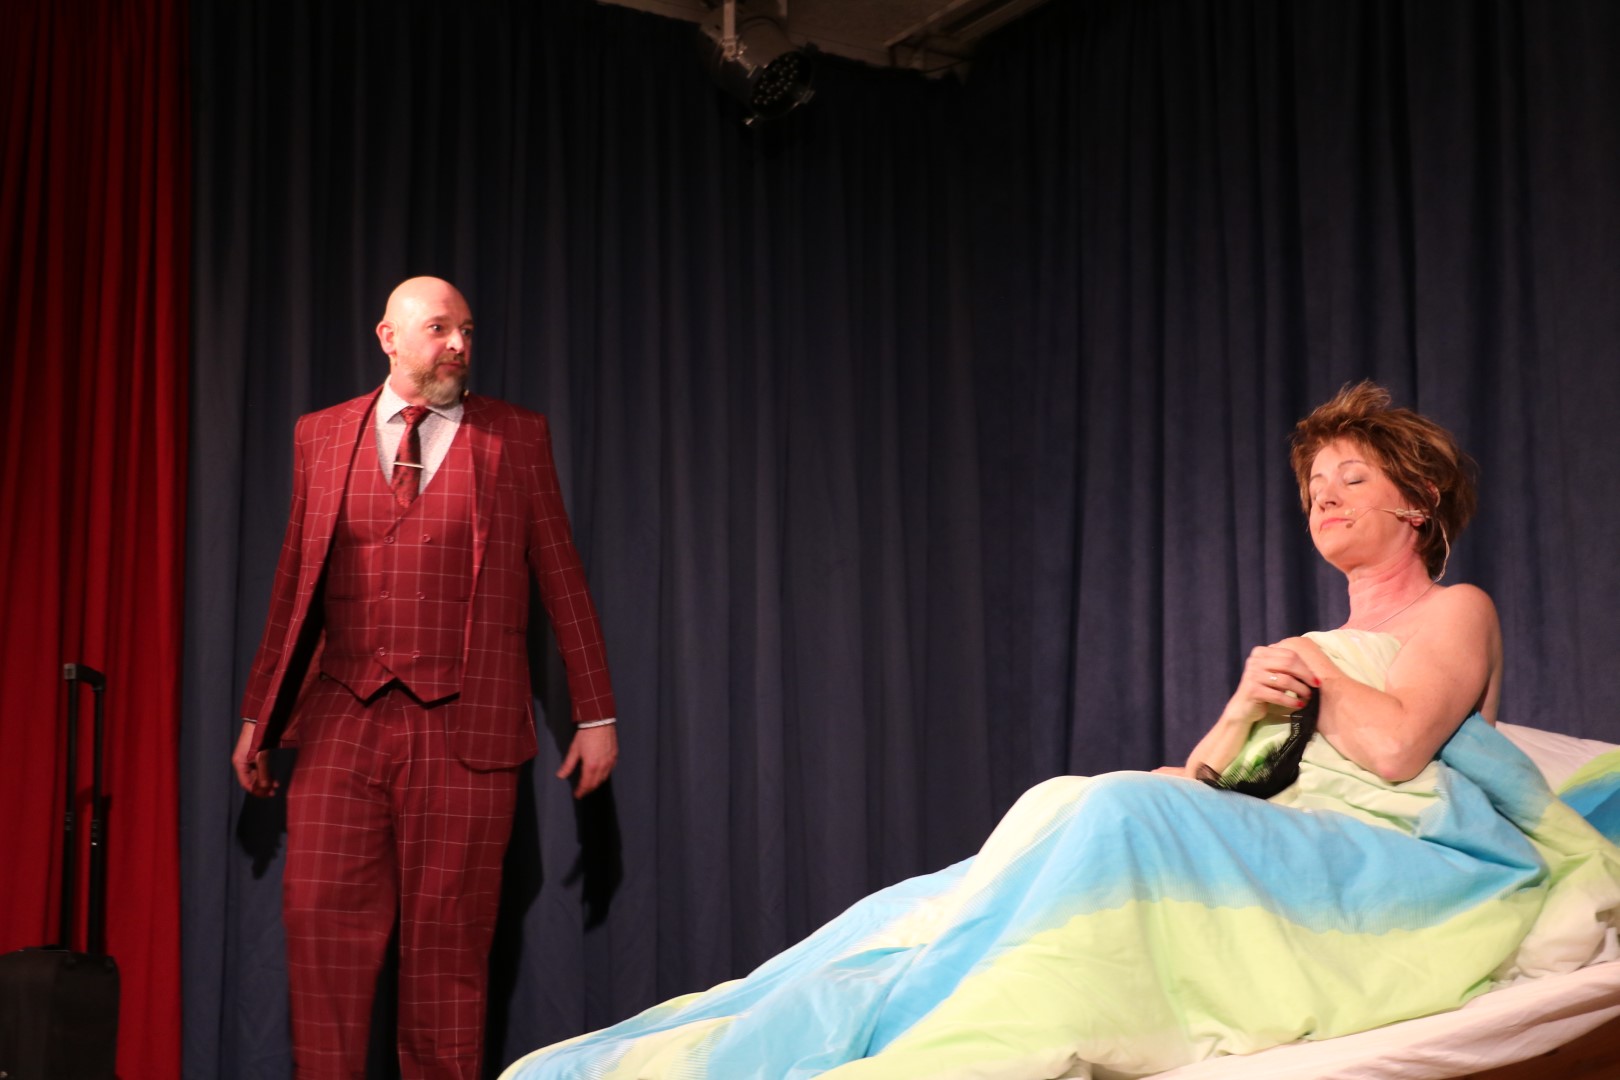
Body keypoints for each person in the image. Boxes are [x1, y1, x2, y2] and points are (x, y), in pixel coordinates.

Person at [499, 382, 1620, 1080]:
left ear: (1414, 502)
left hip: (1405, 864)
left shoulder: (1453, 612)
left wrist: (1311, 676)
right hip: (1304, 829)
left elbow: (1397, 751)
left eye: (1349, 480)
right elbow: (1213, 782)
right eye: (1313, 483)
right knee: (1061, 806)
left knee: (1122, 808)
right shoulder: (1308, 645)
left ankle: (971, 1019)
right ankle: (849, 1007)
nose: (1319, 497)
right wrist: (1244, 704)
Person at [231, 276, 619, 1079]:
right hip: (343, 718)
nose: (458, 346)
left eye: (467, 331)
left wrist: (595, 715)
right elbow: (294, 583)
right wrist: (259, 717)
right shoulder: (320, 435)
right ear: (389, 337)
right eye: (440, 329)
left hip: (464, 726)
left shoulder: (515, 437)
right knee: (321, 935)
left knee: (448, 957)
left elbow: (562, 577)